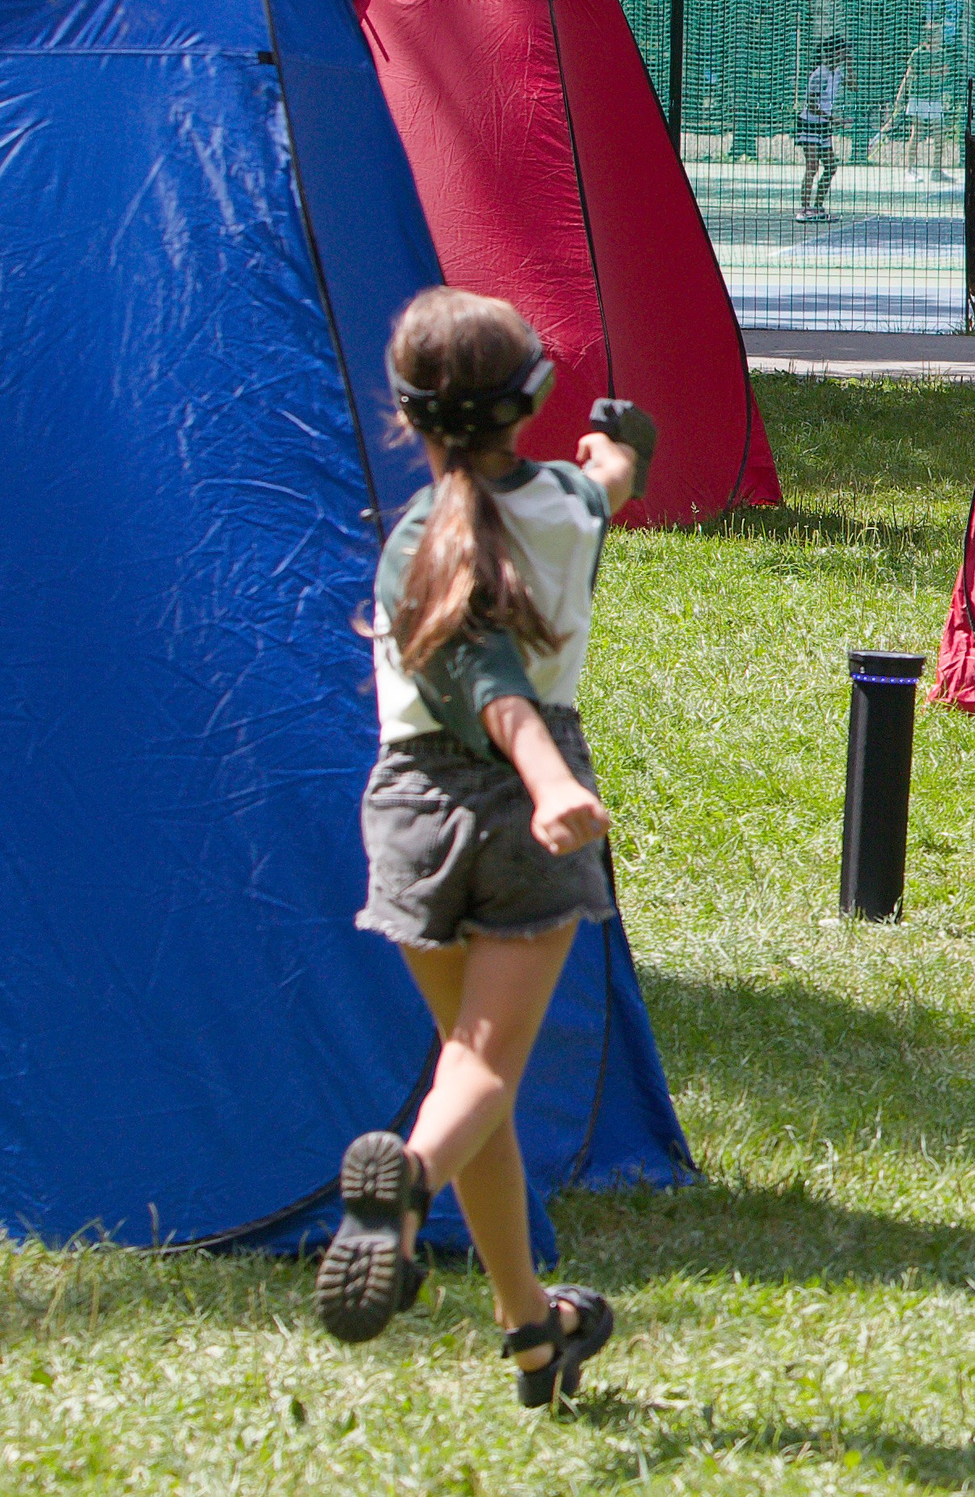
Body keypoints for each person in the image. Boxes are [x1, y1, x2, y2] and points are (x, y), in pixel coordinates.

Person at [316, 287, 654, 1408]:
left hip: (407, 807)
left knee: (477, 1078)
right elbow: (498, 686)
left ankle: (530, 1330)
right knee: (482, 1067)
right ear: (533, 402)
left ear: (406, 414)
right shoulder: (567, 503)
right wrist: (625, 451)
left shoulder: (415, 541)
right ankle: (406, 1184)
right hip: (520, 809)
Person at [883, 16, 954, 184]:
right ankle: (910, 170)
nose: (935, 36)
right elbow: (909, 75)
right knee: (918, 132)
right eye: (932, 33)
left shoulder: (943, 54)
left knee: (940, 134)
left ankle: (937, 170)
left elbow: (944, 74)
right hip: (918, 97)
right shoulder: (918, 53)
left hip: (934, 98)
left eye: (937, 33)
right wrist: (900, 97)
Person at [796, 34, 848, 222]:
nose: (844, 54)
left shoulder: (838, 73)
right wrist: (834, 118)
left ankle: (818, 206)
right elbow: (811, 105)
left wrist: (848, 66)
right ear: (832, 53)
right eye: (841, 51)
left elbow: (854, 86)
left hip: (824, 125)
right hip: (810, 123)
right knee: (812, 166)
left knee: (831, 166)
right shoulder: (819, 75)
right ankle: (804, 209)